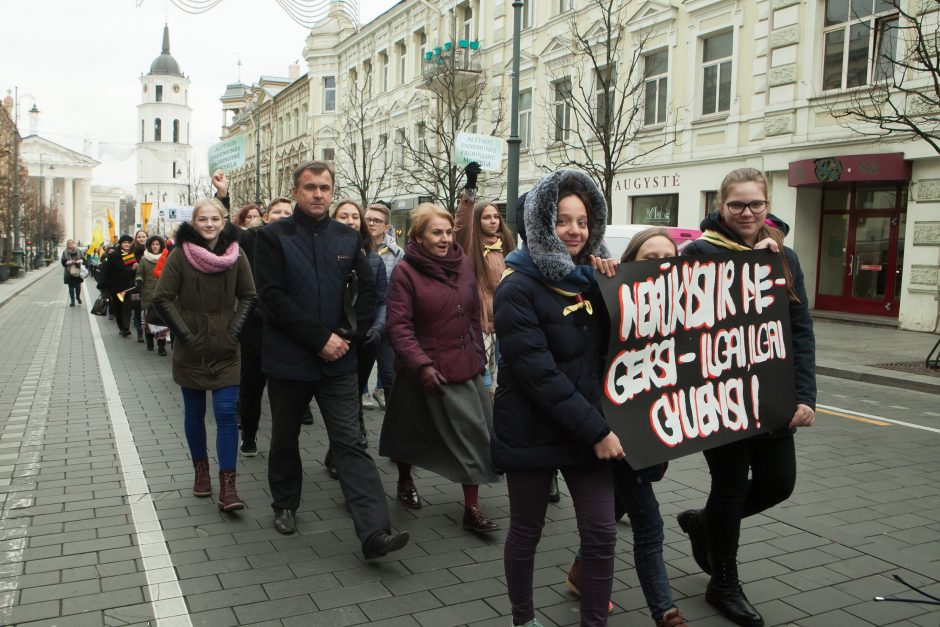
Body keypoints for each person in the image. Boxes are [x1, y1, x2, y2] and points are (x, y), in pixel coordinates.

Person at [676, 167, 816, 627]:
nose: (747, 212)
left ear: (768, 204)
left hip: (772, 395)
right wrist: (750, 265)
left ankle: (703, 524)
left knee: (779, 484)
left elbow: (799, 330)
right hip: (723, 395)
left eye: (756, 203)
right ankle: (724, 584)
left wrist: (805, 395)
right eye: (737, 204)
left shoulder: (785, 257)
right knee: (731, 487)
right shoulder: (699, 252)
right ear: (721, 207)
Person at [255, 160, 409, 560]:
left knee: (351, 443)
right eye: (310, 187)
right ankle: (285, 504)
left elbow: (370, 294)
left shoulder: (347, 236)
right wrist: (318, 338)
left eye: (325, 187)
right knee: (286, 438)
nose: (319, 194)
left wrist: (346, 336)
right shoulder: (272, 237)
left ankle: (375, 531)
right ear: (296, 191)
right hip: (289, 360)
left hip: (338, 360)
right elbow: (272, 299)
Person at [492, 169, 624, 627]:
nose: (574, 231)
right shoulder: (517, 287)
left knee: (602, 533)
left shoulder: (594, 279)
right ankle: (523, 619)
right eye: (562, 220)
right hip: (533, 429)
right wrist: (599, 430)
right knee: (527, 530)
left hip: (588, 428)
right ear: (542, 225)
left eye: (582, 221)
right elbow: (538, 374)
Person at [563, 227, 688, 627]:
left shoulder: (681, 303)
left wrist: (764, 253)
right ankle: (665, 611)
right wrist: (599, 273)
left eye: (668, 259)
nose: (660, 266)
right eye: (648, 258)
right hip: (617, 429)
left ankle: (580, 572)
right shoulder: (608, 296)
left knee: (618, 503)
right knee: (648, 522)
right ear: (629, 262)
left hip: (653, 431)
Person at [379, 202, 500, 533]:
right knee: (409, 432)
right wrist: (421, 364)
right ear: (418, 235)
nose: (445, 238)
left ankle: (471, 508)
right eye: (437, 232)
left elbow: (472, 312)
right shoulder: (405, 272)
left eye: (448, 231)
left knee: (474, 433)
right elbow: (399, 326)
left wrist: (477, 349)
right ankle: (405, 481)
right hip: (421, 368)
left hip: (463, 365)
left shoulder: (462, 262)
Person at [152, 197, 257, 511]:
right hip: (191, 348)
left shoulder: (236, 255)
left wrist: (234, 330)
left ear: (224, 222)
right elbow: (163, 298)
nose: (209, 224)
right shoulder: (180, 255)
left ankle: (229, 486)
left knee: (226, 413)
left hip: (227, 348)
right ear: (193, 223)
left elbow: (249, 295)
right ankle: (201, 470)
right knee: (194, 413)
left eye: (215, 219)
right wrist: (185, 333)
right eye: (203, 219)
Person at [322, 200, 387, 477]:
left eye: (354, 216)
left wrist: (378, 327)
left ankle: (341, 451)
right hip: (333, 341)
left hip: (364, 340)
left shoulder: (373, 258)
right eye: (343, 216)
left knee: (354, 396)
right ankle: (348, 448)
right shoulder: (323, 254)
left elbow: (383, 299)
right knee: (344, 400)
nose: (350, 221)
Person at [237, 196, 294, 457]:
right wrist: (222, 196)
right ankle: (248, 435)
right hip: (256, 328)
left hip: (287, 329)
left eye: (287, 212)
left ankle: (282, 444)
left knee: (283, 393)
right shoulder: (252, 239)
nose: (283, 215)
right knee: (251, 386)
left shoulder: (300, 242)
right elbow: (229, 233)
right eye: (277, 211)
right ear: (267, 217)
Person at [364, 202, 403, 410]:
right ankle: (362, 395)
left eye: (377, 221)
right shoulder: (355, 246)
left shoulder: (397, 253)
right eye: (368, 219)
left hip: (387, 317)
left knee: (390, 372)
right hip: (360, 319)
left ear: (387, 226)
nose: (371, 223)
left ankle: (383, 393)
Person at [135, 235, 169, 355]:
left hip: (162, 294)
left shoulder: (166, 258)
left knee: (162, 321)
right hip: (148, 294)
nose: (155, 247)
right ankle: (149, 339)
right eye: (153, 244)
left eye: (157, 244)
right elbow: (139, 273)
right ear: (149, 246)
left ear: (161, 246)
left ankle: (161, 346)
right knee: (149, 320)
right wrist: (139, 280)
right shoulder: (144, 259)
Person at [101, 235, 138, 337]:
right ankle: (121, 327)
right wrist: (104, 286)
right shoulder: (114, 255)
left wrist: (134, 269)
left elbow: (131, 272)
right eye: (124, 242)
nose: (127, 244)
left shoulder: (131, 255)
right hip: (116, 287)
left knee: (127, 307)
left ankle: (126, 327)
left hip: (129, 286)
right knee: (118, 308)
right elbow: (108, 271)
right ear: (120, 244)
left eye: (128, 243)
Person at [61, 239, 84, 307]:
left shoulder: (78, 251)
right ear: (67, 245)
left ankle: (78, 297)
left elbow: (83, 258)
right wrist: (70, 262)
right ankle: (72, 301)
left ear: (74, 244)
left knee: (78, 287)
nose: (70, 245)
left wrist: (79, 261)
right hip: (69, 271)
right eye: (69, 244)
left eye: (71, 243)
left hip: (77, 270)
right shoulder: (65, 252)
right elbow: (63, 261)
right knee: (71, 287)